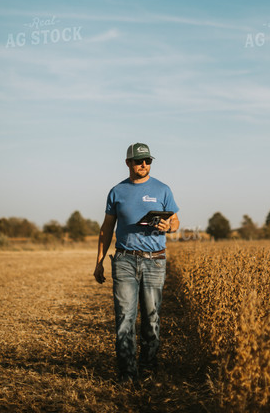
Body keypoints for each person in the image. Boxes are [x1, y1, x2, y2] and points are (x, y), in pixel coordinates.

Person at [93, 142, 180, 383]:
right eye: (139, 161)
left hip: (155, 261)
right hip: (124, 260)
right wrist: (99, 261)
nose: (144, 164)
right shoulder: (116, 191)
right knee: (125, 318)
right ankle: (127, 374)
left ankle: (149, 368)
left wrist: (168, 227)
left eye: (148, 161)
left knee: (151, 318)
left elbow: (175, 222)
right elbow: (107, 228)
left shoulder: (163, 190)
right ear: (128, 163)